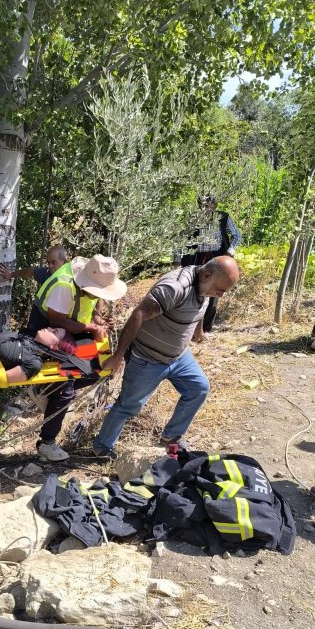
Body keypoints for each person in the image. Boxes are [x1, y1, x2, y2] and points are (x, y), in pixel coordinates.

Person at [91, 256, 240, 459]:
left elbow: (200, 303)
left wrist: (198, 330)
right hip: (148, 358)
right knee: (129, 406)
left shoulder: (206, 284)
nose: (220, 296)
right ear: (206, 275)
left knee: (198, 388)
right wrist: (118, 356)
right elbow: (139, 314)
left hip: (178, 357)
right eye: (220, 290)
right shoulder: (175, 287)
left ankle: (171, 437)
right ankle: (101, 447)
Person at [23, 253, 127, 462]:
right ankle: (47, 442)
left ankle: (46, 390)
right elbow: (57, 320)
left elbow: (92, 304)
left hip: (70, 331)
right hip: (46, 334)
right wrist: (90, 327)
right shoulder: (65, 286)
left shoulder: (93, 275)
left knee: (100, 368)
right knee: (66, 384)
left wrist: (98, 320)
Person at [180, 195, 242, 333]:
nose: (205, 209)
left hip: (216, 258)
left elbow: (237, 236)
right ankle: (189, 328)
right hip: (195, 258)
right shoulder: (192, 219)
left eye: (208, 206)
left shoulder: (223, 217)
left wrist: (229, 252)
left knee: (214, 293)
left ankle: (205, 329)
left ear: (214, 206)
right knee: (193, 292)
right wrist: (177, 259)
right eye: (202, 205)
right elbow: (180, 239)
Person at [0, 245, 68, 286]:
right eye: (48, 263)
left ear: (64, 261)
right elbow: (30, 271)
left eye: (53, 262)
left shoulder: (73, 279)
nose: (50, 266)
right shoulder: (47, 273)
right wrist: (11, 275)